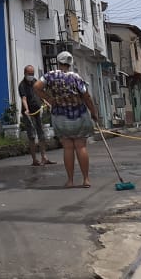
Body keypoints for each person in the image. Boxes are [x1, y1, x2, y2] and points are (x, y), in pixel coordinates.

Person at [34, 51, 99, 188]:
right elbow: (86, 96)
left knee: (68, 148)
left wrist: (49, 99)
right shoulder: (75, 77)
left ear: (58, 62)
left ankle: (70, 181)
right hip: (79, 115)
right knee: (81, 146)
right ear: (70, 63)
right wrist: (93, 112)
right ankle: (86, 179)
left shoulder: (50, 76)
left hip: (60, 116)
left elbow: (37, 87)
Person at [18, 65, 54, 167]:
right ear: (25, 73)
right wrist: (27, 109)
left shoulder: (35, 81)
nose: (31, 75)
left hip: (37, 111)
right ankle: (34, 159)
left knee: (41, 134)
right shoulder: (22, 85)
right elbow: (24, 99)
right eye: (29, 74)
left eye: (32, 73)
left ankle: (44, 157)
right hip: (28, 114)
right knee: (32, 136)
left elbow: (39, 94)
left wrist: (46, 102)